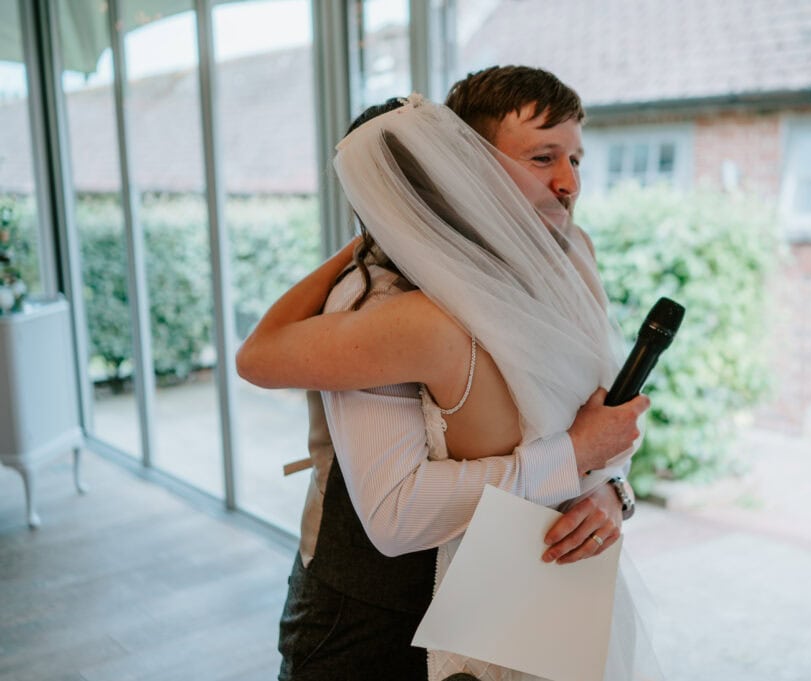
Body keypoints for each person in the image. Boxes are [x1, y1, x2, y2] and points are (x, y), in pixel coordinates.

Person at [237, 68, 651, 680]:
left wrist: (610, 490)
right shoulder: (383, 302)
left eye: (575, 159)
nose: (569, 183)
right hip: (377, 609)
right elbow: (396, 512)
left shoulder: (569, 257)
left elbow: (598, 409)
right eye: (543, 158)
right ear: (467, 167)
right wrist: (573, 455)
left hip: (517, 597)